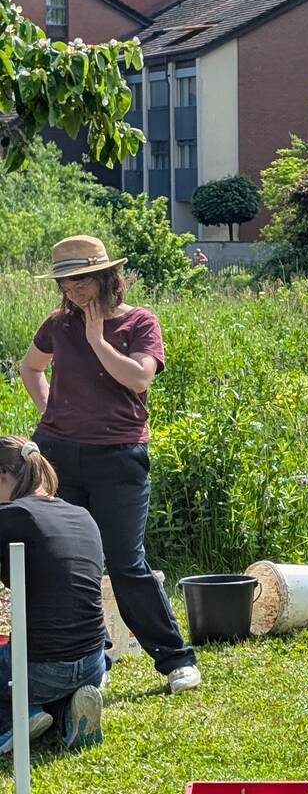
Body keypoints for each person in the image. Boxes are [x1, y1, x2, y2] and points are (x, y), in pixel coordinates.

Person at [19, 235, 201, 694]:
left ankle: (176, 660)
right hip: (57, 455)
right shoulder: (57, 324)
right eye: (66, 281)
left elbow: (139, 378)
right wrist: (49, 414)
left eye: (81, 279)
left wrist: (97, 339)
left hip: (119, 456)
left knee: (125, 562)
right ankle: (90, 659)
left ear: (106, 276)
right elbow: (31, 368)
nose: (74, 289)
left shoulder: (140, 321)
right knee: (66, 564)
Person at [0, 436, 105, 751]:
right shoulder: (81, 515)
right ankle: (64, 714)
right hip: (93, 662)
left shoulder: (14, 515)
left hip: (39, 669)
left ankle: (15, 718)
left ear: (3, 475)